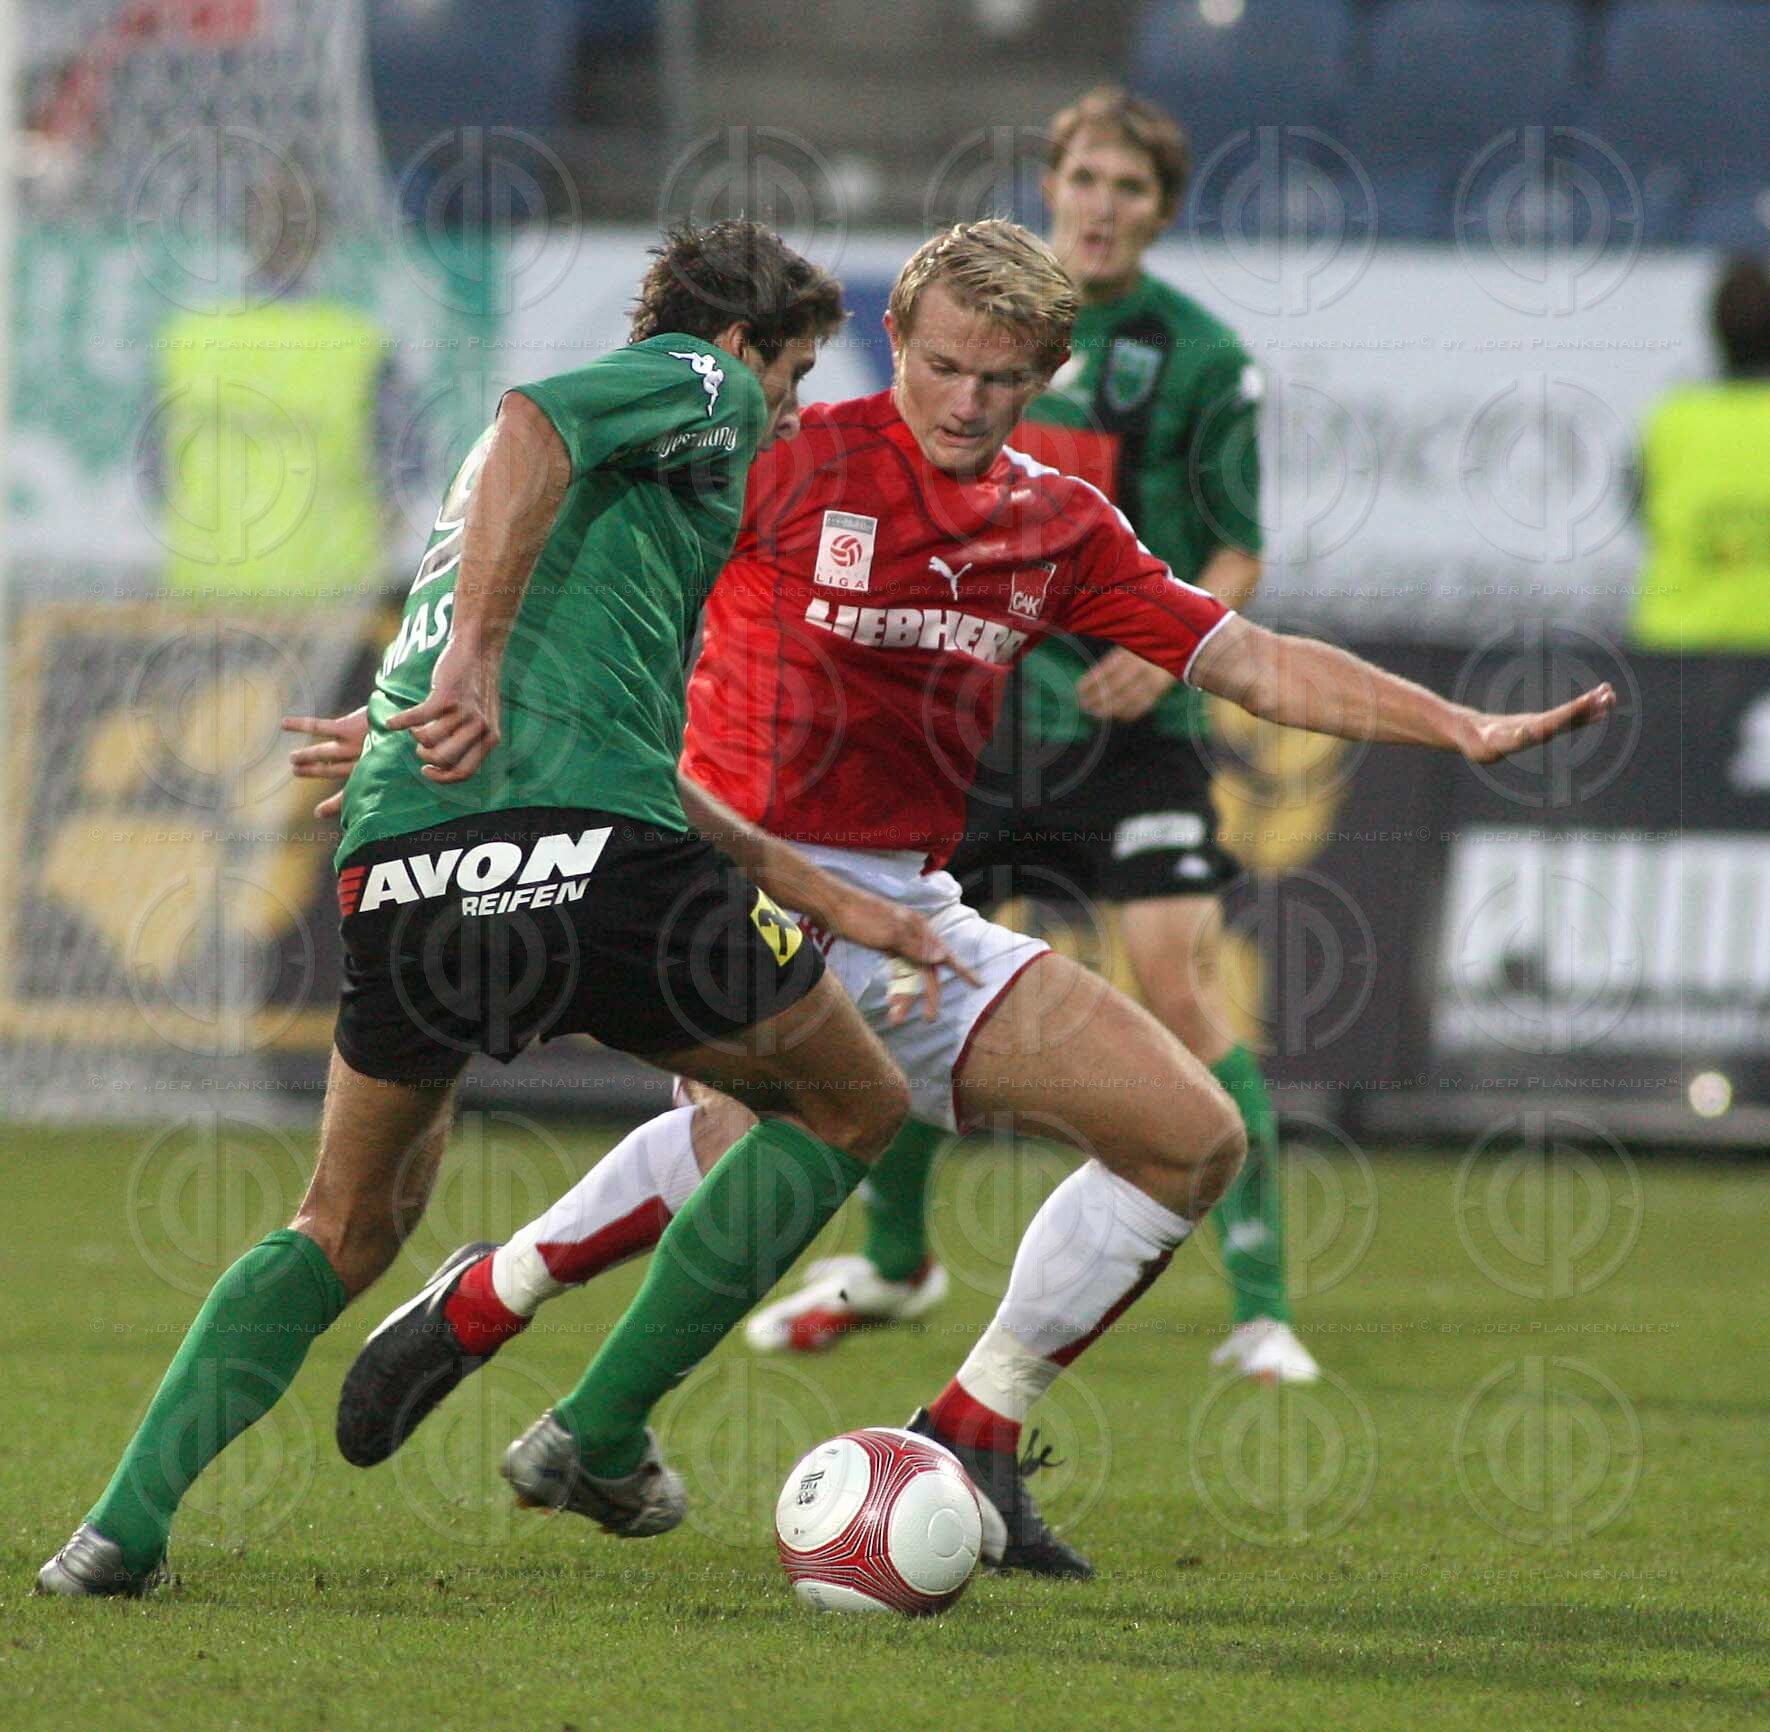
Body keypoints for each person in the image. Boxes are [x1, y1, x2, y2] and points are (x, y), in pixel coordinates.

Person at [333, 220, 1612, 1580]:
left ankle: (972, 1424)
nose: (962, 401)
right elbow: (586, 574)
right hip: (725, 871)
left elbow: (1249, 661)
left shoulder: (1055, 522)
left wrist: (1456, 729)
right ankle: (550, 1371)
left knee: (1187, 1142)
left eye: (998, 381)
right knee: (762, 1141)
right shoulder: (780, 461)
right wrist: (426, 717)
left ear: (1044, 376)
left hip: (904, 903)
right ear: (899, 343)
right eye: (941, 366)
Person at [37, 220, 975, 1598]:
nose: (784, 414)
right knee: (853, 1104)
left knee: (345, 1223)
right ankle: (596, 1433)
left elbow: (516, 581)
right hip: (590, 855)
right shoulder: (688, 384)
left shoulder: (546, 492)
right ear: (734, 348)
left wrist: (401, 710)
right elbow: (533, 415)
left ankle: (118, 1530)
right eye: (788, 379)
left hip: (408, 865)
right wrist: (471, 659)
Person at [749, 86, 1314, 1382]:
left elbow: (1236, 549)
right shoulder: (975, 320)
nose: (1102, 207)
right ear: (1050, 186)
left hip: (1131, 724)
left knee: (1175, 982)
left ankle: (1262, 1303)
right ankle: (896, 1263)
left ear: (1160, 213)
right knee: (901, 985)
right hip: (975, 721)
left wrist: (1151, 644)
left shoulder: (1204, 359)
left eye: (1130, 189)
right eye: (1084, 180)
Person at [1631, 254, 1770, 652]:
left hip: (1679, 649)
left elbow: (1640, 513)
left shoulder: (1671, 418)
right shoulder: (1671, 416)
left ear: (1716, 331)